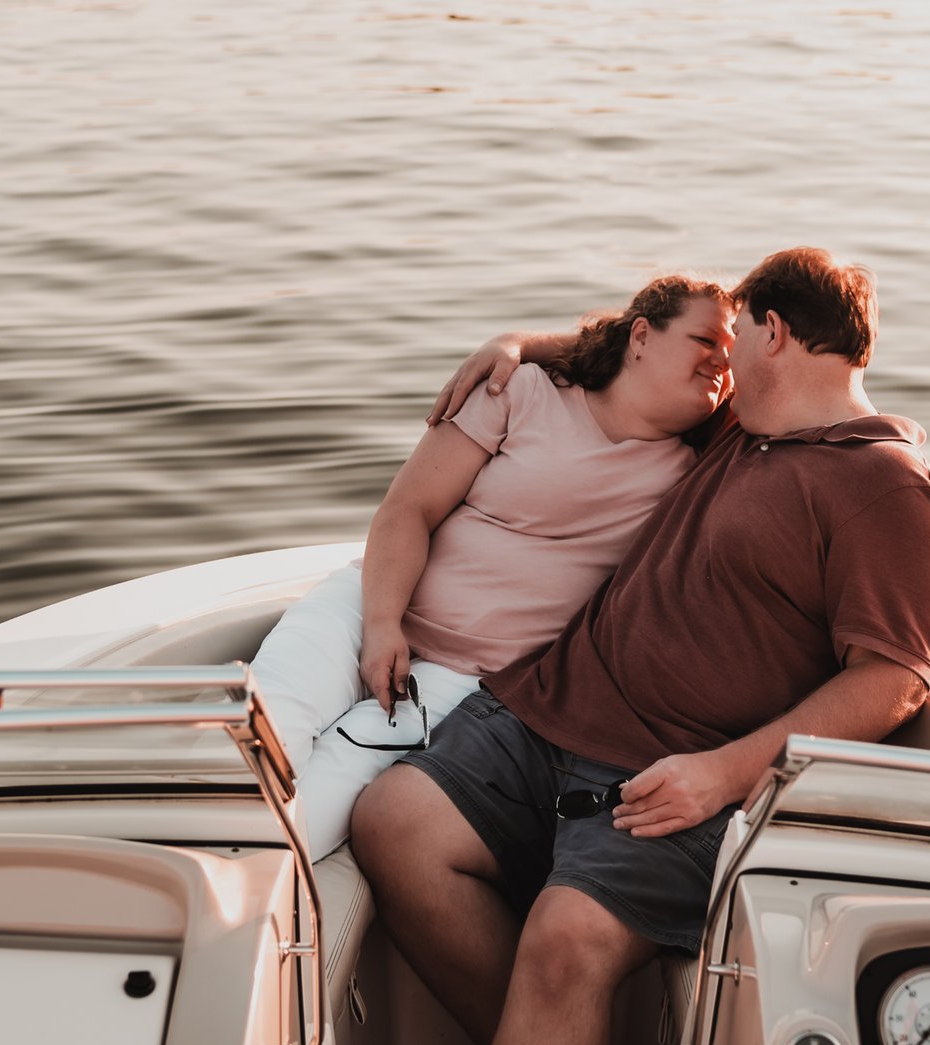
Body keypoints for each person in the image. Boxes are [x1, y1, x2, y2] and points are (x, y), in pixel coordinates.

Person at [350, 246, 930, 1045]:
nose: (719, 367)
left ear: (774, 333)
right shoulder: (738, 431)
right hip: (549, 705)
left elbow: (897, 677)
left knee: (567, 936)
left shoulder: (889, 490)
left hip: (682, 771)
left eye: (734, 342)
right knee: (393, 823)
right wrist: (519, 343)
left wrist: (723, 774)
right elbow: (638, 353)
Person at [249, 274, 736, 861]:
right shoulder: (524, 389)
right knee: (256, 734)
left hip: (464, 676)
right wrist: (382, 625)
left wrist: (520, 338)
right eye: (706, 339)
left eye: (734, 354)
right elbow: (409, 508)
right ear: (640, 336)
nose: (722, 361)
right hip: (367, 604)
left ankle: (220, 898)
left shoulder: (697, 468)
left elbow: (796, 398)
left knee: (312, 809)